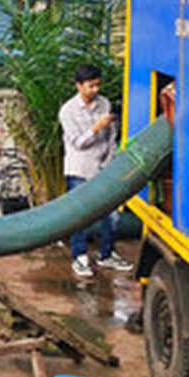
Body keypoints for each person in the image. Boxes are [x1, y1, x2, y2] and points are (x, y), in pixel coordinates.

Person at [59, 64, 134, 279]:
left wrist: (110, 161)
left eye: (97, 85)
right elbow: (77, 143)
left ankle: (107, 254)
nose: (95, 90)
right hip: (80, 168)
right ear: (79, 86)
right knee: (80, 214)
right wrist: (96, 127)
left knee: (111, 215)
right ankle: (79, 256)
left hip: (104, 168)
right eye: (90, 86)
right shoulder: (68, 111)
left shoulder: (104, 104)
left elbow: (112, 137)